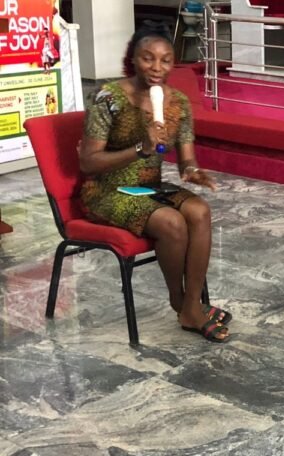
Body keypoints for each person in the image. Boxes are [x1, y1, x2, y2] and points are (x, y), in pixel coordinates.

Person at [79, 22, 231, 342]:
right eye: (148, 58)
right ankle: (180, 302)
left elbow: (186, 157)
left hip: (150, 187)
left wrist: (192, 171)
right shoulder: (107, 98)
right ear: (133, 59)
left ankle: (192, 305)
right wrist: (140, 149)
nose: (157, 67)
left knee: (200, 211)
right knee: (172, 223)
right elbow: (88, 162)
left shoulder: (178, 102)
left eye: (165, 60)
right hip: (106, 190)